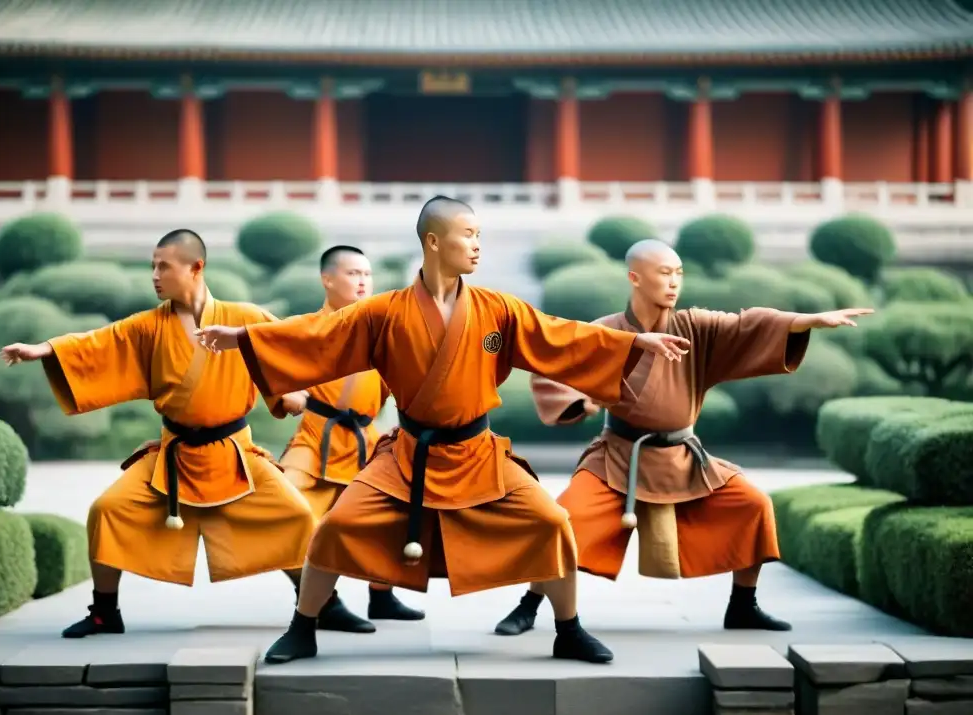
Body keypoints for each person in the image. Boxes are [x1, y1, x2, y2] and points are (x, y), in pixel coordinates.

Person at [195, 196, 692, 666]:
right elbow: (315, 336)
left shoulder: (498, 309)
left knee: (551, 522)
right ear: (434, 242)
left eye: (479, 235)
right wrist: (241, 337)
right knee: (334, 527)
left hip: (478, 452)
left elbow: (559, 334)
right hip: (409, 454)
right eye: (468, 234)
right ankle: (302, 626)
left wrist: (632, 343)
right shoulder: (383, 312)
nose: (477, 244)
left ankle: (569, 629)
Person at [492, 239, 875, 637]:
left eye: (678, 274)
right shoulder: (607, 331)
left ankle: (743, 605)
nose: (674, 283)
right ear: (634, 278)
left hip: (684, 458)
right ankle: (529, 604)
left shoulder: (695, 327)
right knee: (564, 522)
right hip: (618, 459)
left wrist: (806, 321)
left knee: (753, 505)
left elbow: (748, 324)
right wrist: (578, 401)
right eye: (664, 273)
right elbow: (559, 359)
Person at [0, 229, 370, 638]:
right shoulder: (148, 326)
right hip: (173, 457)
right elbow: (99, 343)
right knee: (107, 510)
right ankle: (105, 612)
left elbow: (282, 349)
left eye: (164, 266)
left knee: (297, 516)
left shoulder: (244, 317)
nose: (155, 276)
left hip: (234, 454)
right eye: (153, 266)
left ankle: (324, 606)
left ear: (196, 268)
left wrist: (286, 391)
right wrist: (46, 349)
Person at [277, 244, 424, 624]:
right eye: (353, 274)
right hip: (315, 438)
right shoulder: (305, 330)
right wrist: (285, 391)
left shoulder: (385, 332)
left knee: (392, 515)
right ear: (327, 279)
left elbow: (404, 387)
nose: (362, 282)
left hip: (366, 441)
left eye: (367, 275)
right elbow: (270, 367)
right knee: (286, 511)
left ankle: (382, 594)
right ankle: (321, 601)